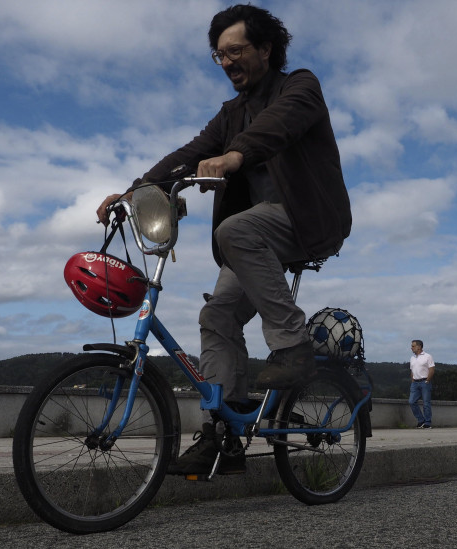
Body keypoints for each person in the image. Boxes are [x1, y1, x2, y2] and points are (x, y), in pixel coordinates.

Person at [96, 5, 350, 475]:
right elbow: (191, 153)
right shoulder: (229, 114)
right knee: (216, 317)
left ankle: (293, 347)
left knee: (234, 228)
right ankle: (223, 434)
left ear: (266, 49)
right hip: (253, 239)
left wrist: (236, 155)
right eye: (219, 55)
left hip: (306, 221)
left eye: (236, 50)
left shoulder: (301, 87)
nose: (228, 61)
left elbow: (279, 126)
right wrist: (135, 190)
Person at [408, 339, 435, 428]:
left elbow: (431, 369)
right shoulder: (412, 358)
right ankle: (421, 420)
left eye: (413, 346)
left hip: (424, 382)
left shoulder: (428, 356)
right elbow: (412, 370)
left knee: (426, 403)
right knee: (412, 402)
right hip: (415, 383)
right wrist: (412, 380)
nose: (411, 348)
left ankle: (427, 422)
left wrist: (427, 380)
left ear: (419, 347)